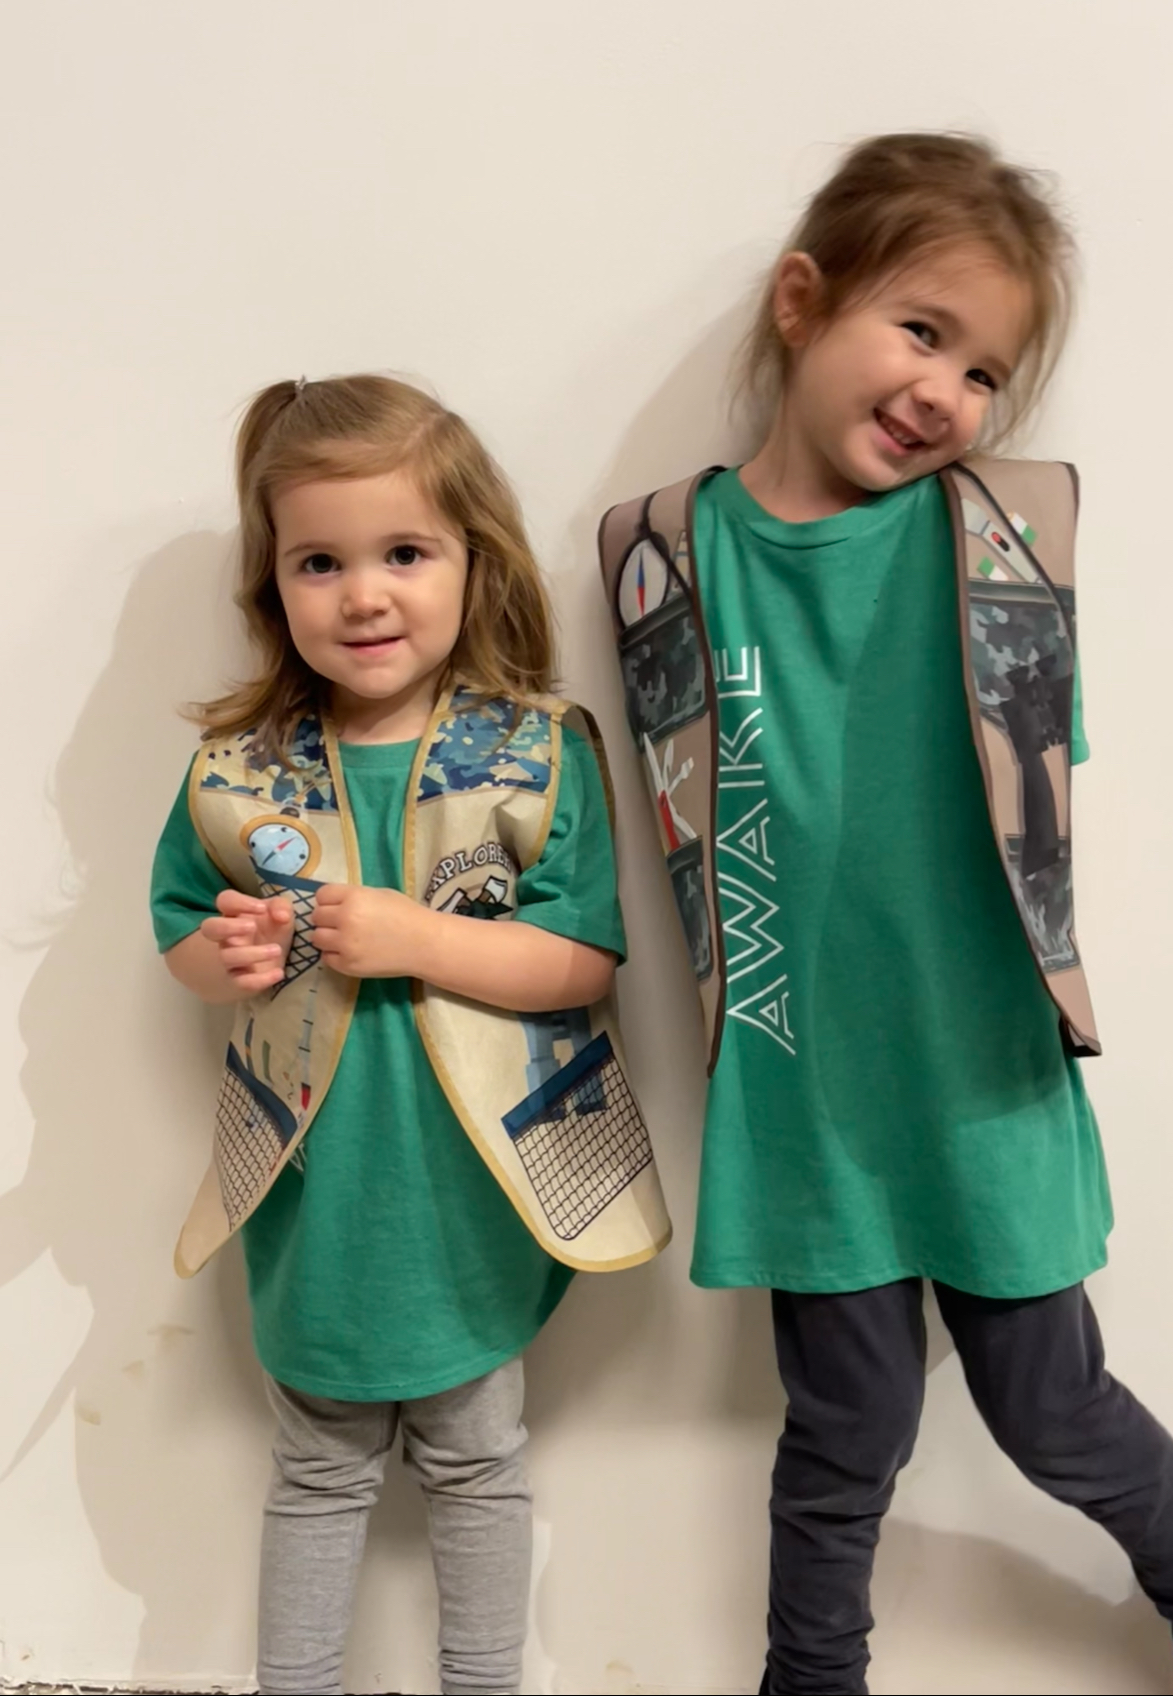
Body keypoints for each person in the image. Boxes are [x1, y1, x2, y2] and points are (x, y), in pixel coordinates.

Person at [596, 133, 1173, 1696]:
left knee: (1053, 1409)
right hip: (807, 1096)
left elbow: (1035, 787)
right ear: (801, 301)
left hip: (981, 1073)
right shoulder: (662, 557)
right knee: (843, 1436)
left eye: (985, 373)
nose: (947, 394)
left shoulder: (998, 542)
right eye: (922, 330)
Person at [152, 373, 668, 1696]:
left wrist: (416, 939)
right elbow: (183, 936)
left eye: (404, 553)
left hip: (473, 1198)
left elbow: (581, 962)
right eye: (319, 562)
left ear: (472, 562)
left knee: (478, 1465)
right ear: (274, 585)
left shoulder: (532, 753)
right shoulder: (241, 771)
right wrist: (224, 957)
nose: (363, 595)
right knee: (317, 1472)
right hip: (319, 1206)